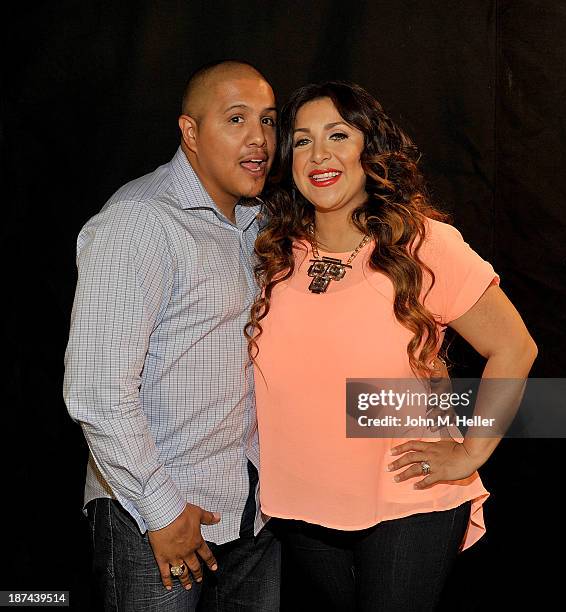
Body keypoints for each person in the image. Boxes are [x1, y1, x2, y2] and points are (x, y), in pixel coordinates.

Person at [246, 81, 538, 611]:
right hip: (301, 501)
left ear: (369, 148)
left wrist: (472, 451)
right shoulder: (271, 250)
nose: (320, 155)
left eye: (338, 134)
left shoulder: (424, 244)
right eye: (303, 140)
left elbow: (515, 348)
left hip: (407, 495)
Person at [63, 60, 280, 611]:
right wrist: (162, 512)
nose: (259, 139)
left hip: (250, 509)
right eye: (236, 119)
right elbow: (97, 391)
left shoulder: (258, 222)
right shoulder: (140, 221)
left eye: (269, 121)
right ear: (190, 132)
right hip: (158, 519)